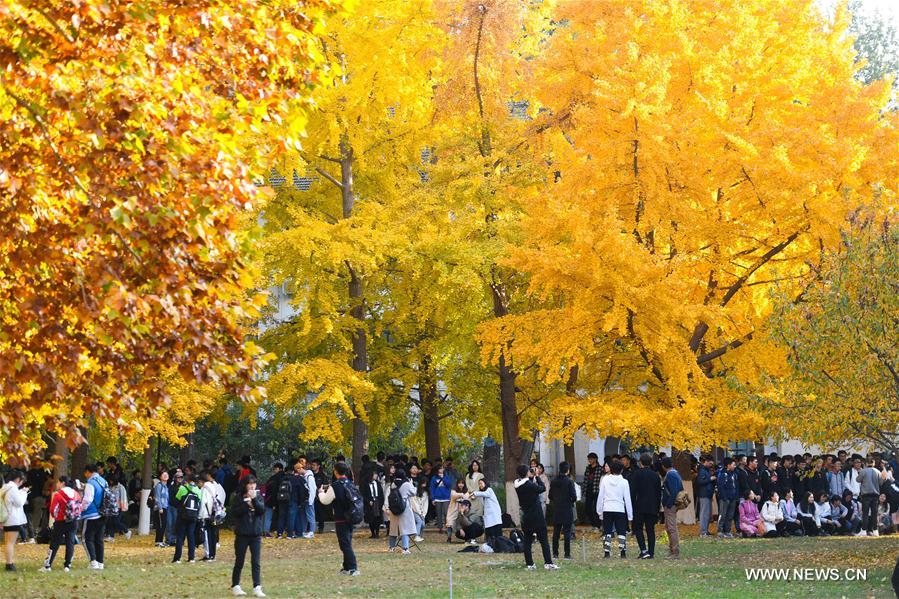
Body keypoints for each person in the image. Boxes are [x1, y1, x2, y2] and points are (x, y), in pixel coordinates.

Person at [317, 462, 359, 576]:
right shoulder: (350, 483)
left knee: (344, 544)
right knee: (347, 542)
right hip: (351, 516)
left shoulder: (335, 486)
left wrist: (320, 493)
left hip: (341, 518)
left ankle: (353, 567)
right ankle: (346, 567)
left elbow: (325, 500)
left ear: (335, 472)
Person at [514, 464, 558, 571]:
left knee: (527, 541)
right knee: (543, 540)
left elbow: (526, 481)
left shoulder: (517, 484)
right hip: (537, 515)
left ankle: (530, 564)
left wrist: (531, 476)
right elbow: (542, 488)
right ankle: (548, 562)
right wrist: (537, 476)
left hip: (526, 516)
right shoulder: (530, 485)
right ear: (526, 473)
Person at [230, 475, 266, 597]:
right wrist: (247, 505)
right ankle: (236, 585)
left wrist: (254, 500)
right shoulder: (238, 497)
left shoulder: (259, 496)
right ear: (245, 485)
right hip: (242, 534)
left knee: (256, 562)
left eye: (254, 484)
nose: (252, 486)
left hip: (256, 535)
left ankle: (257, 587)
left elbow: (261, 510)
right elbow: (234, 512)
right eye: (249, 484)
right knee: (239, 561)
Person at [41, 476, 81, 572]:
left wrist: (55, 517)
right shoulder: (76, 493)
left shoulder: (58, 494)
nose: (57, 484)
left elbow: (52, 510)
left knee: (55, 543)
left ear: (62, 483)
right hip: (73, 521)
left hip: (61, 521)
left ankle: (48, 565)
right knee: (70, 542)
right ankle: (67, 565)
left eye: (58, 482)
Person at [597, 459, 633, 558]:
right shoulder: (624, 482)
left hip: (607, 508)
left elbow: (601, 496)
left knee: (607, 531)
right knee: (621, 531)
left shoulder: (605, 480)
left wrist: (599, 510)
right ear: (621, 470)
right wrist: (630, 515)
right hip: (619, 508)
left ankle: (607, 552)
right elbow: (627, 499)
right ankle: (622, 552)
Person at [630, 453, 662, 559]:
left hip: (639, 506)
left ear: (641, 463)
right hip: (652, 506)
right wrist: (657, 508)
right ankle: (651, 552)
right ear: (651, 462)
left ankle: (643, 550)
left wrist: (632, 506)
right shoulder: (655, 476)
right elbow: (658, 493)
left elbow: (632, 492)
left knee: (638, 529)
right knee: (650, 530)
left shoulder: (636, 474)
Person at [81, 463, 108, 570]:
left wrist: (80, 508)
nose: (85, 475)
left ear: (88, 471)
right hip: (103, 513)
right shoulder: (103, 481)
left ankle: (93, 562)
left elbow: (87, 499)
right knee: (99, 539)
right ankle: (100, 563)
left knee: (86, 539)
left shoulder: (90, 483)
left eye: (85, 473)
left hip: (92, 514)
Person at [548, 461, 576, 560]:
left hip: (557, 509)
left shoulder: (554, 481)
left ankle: (555, 554)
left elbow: (550, 495)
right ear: (567, 470)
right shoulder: (569, 481)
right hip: (567, 508)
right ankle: (567, 554)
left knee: (556, 532)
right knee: (567, 532)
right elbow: (574, 496)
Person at [172, 473, 202, 564]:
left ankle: (177, 558)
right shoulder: (198, 490)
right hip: (193, 516)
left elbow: (176, 501)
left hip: (183, 515)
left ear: (187, 480)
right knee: (191, 536)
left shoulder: (182, 488)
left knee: (180, 536)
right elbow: (199, 503)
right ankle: (191, 557)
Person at [1, 470, 27, 572]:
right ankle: (9, 564)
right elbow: (19, 503)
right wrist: (24, 493)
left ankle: (8, 562)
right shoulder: (13, 489)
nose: (22, 483)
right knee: (10, 543)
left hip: (5, 518)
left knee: (7, 542)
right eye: (22, 480)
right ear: (18, 479)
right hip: (13, 519)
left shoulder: (4, 487)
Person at [385, 469, 416, 553]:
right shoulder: (406, 484)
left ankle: (391, 547)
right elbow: (413, 492)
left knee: (393, 528)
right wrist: (411, 484)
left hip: (394, 507)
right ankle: (405, 548)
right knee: (404, 528)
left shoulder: (393, 484)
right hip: (404, 507)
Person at [660, 457, 682, 558]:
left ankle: (675, 552)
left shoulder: (671, 475)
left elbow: (673, 492)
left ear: (663, 466)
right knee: (669, 528)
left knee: (672, 528)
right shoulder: (675, 473)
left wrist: (668, 504)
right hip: (672, 504)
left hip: (670, 505)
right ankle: (672, 550)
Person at [202, 469, 225, 561]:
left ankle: (209, 554)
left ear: (208, 475)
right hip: (217, 513)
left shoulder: (207, 487)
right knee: (214, 533)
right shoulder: (218, 486)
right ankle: (213, 554)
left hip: (209, 514)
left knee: (209, 534)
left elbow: (204, 501)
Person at [472, 478, 503, 545]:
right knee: (489, 530)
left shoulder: (489, 490)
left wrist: (475, 493)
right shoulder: (482, 494)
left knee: (496, 530)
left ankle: (499, 544)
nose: (480, 485)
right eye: (479, 484)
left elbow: (485, 494)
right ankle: (490, 543)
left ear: (485, 483)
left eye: (481, 483)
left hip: (494, 514)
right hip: (488, 515)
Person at [716, 458, 739, 539]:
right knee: (723, 514)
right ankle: (720, 531)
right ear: (728, 465)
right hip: (725, 498)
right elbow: (720, 487)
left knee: (730, 515)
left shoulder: (734, 474)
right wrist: (724, 497)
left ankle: (727, 531)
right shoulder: (722, 474)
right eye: (733, 464)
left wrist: (736, 496)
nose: (735, 466)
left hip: (733, 498)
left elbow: (736, 486)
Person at [858, 458, 881, 537]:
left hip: (866, 495)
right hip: (875, 495)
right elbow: (881, 482)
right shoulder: (878, 471)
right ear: (873, 463)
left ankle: (864, 530)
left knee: (865, 513)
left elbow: (858, 480)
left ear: (866, 463)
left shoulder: (863, 471)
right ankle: (875, 531)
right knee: (874, 513)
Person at [695, 455, 716, 537]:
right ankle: (703, 531)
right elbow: (700, 482)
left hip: (708, 494)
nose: (711, 465)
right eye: (710, 463)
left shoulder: (706, 470)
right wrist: (710, 479)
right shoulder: (702, 470)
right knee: (704, 513)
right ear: (706, 462)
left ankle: (705, 530)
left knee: (707, 514)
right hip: (704, 494)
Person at [361, 469, 384, 539]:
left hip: (377, 501)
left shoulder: (378, 483)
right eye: (374, 474)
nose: (376, 476)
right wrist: (368, 501)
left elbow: (381, 494)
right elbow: (363, 494)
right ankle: (373, 533)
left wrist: (381, 502)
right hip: (370, 502)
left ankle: (377, 533)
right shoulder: (366, 484)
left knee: (378, 518)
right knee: (371, 518)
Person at [429, 467, 451, 535]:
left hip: (446, 498)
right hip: (437, 498)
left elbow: (449, 485)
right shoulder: (434, 477)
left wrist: (443, 478)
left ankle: (447, 527)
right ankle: (440, 528)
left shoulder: (447, 476)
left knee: (446, 513)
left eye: (442, 468)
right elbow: (432, 488)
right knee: (438, 513)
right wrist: (433, 498)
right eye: (440, 468)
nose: (442, 469)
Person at [582, 453, 601, 531]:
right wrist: (583, 490)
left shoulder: (600, 468)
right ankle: (593, 524)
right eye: (589, 459)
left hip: (596, 490)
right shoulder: (588, 468)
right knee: (587, 508)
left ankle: (598, 525)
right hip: (588, 490)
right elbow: (585, 480)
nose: (590, 460)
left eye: (591, 459)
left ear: (595, 459)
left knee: (596, 508)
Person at [445, 478, 467, 543]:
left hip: (462, 510)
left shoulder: (466, 491)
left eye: (462, 483)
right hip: (453, 509)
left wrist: (463, 495)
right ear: (457, 484)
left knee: (464, 523)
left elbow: (467, 498)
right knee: (450, 523)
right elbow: (454, 496)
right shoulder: (453, 491)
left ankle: (467, 537)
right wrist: (462, 495)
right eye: (459, 483)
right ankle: (449, 538)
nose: (461, 485)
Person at [154, 470, 170, 547]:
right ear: (160, 477)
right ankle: (159, 541)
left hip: (165, 507)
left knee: (163, 524)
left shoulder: (166, 486)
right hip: (160, 508)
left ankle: (159, 541)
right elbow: (157, 497)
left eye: (166, 474)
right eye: (163, 474)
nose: (165, 475)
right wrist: (160, 507)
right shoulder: (159, 486)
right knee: (161, 524)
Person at [409, 478, 428, 542]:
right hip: (414, 510)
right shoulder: (415, 491)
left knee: (423, 524)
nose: (424, 485)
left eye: (425, 483)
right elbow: (414, 503)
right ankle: (416, 536)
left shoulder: (426, 493)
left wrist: (423, 514)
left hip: (422, 511)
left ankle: (419, 536)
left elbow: (426, 504)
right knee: (419, 522)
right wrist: (419, 513)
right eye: (423, 483)